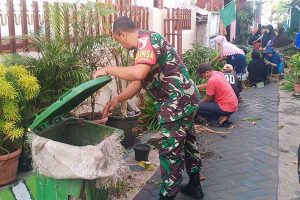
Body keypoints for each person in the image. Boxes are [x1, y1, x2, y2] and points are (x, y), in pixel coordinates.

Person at [93, 16, 203, 200]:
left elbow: (138, 72)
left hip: (176, 104)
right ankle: (195, 186)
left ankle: (167, 196)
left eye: (118, 40)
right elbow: (138, 82)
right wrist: (117, 99)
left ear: (122, 33)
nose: (120, 44)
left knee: (170, 152)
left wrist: (108, 69)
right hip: (186, 101)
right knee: (188, 142)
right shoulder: (145, 44)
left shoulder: (146, 40)